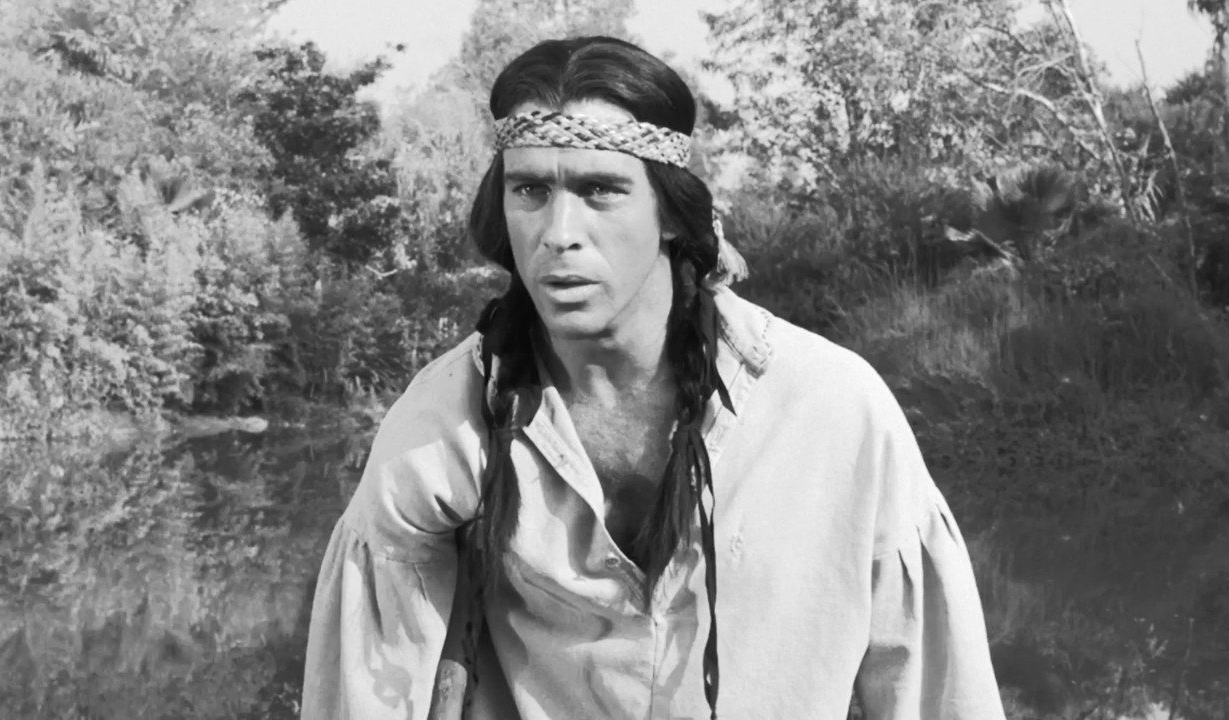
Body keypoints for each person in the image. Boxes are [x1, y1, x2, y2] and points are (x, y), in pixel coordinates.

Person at [301, 36, 1006, 720]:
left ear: (670, 212)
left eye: (600, 190)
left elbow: (933, 691)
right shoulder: (441, 428)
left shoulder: (832, 413)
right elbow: (368, 691)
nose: (558, 232)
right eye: (530, 190)